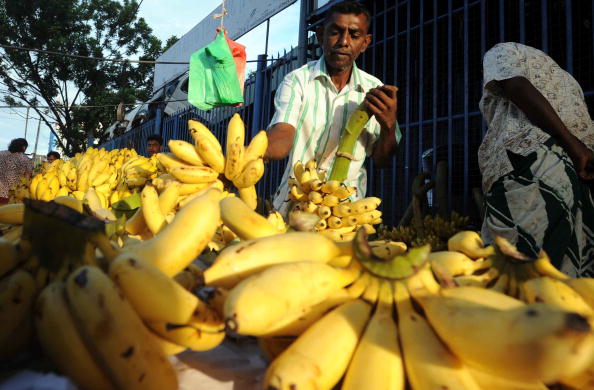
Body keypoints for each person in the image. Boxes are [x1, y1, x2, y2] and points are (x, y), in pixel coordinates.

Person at [264, 0, 400, 216]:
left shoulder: (374, 90)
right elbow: (282, 133)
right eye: (336, 32)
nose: (344, 42)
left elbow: (382, 160)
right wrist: (252, 153)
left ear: (365, 43)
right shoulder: (297, 81)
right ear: (320, 36)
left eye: (354, 35)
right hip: (295, 203)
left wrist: (389, 125)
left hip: (345, 213)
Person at [478, 42, 594, 277]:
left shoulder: (504, 50)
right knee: (564, 272)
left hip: (536, 161)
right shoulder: (570, 82)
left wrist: (575, 148)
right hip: (574, 168)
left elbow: (514, 83)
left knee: (517, 268)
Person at [0, 138, 33, 204]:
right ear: (23, 147)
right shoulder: (27, 160)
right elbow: (27, 177)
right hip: (12, 193)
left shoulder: (1, 154)